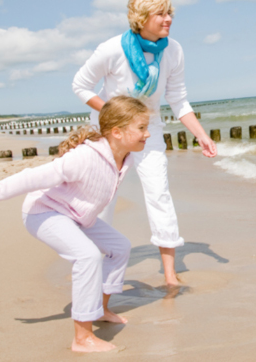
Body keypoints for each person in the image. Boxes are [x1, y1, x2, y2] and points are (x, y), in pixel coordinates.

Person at [0, 96, 151, 353]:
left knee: (120, 246)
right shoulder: (84, 158)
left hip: (76, 215)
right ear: (117, 132)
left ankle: (100, 309)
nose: (148, 133)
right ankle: (82, 338)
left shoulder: (125, 157)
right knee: (87, 257)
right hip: (44, 212)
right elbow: (30, 178)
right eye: (141, 128)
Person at [72, 0, 216, 287]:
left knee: (159, 194)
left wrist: (201, 134)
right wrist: (115, 115)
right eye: (160, 14)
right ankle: (92, 267)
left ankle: (171, 275)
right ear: (141, 18)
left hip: (148, 132)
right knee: (104, 199)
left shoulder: (173, 51)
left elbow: (178, 98)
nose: (168, 19)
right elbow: (80, 85)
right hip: (109, 133)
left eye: (169, 13)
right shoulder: (111, 49)